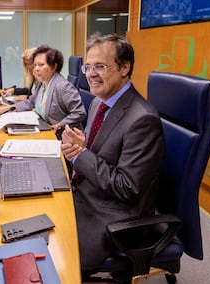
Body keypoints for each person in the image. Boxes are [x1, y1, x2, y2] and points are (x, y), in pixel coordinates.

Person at [60, 33, 165, 279]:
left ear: (124, 68)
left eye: (101, 66)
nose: (90, 74)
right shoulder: (100, 102)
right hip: (89, 193)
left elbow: (127, 187)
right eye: (88, 66)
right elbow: (107, 153)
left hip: (116, 215)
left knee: (56, 252)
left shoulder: (143, 119)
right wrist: (84, 146)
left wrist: (80, 155)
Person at [0, 45, 86, 134]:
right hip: (44, 128)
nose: (36, 69)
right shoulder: (42, 83)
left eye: (41, 65)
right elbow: (31, 102)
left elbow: (79, 113)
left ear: (54, 67)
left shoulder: (63, 87)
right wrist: (9, 108)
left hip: (61, 136)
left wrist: (60, 125)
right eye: (35, 65)